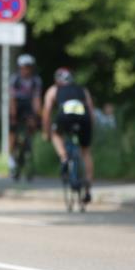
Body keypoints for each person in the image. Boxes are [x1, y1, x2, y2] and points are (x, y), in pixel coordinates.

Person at [42, 67, 95, 203]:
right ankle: (88, 188)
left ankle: (64, 157)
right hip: (84, 119)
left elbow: (47, 112)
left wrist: (46, 131)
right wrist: (90, 129)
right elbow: (91, 110)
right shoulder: (82, 90)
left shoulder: (54, 90)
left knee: (55, 134)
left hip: (64, 117)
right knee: (86, 152)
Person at [8, 54, 42, 180]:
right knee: (12, 131)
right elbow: (12, 99)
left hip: (28, 105)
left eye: (28, 67)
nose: (25, 70)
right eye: (23, 67)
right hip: (17, 105)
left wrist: (37, 115)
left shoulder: (35, 80)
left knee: (32, 126)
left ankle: (28, 148)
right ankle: (11, 157)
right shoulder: (15, 79)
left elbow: (37, 99)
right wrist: (13, 116)